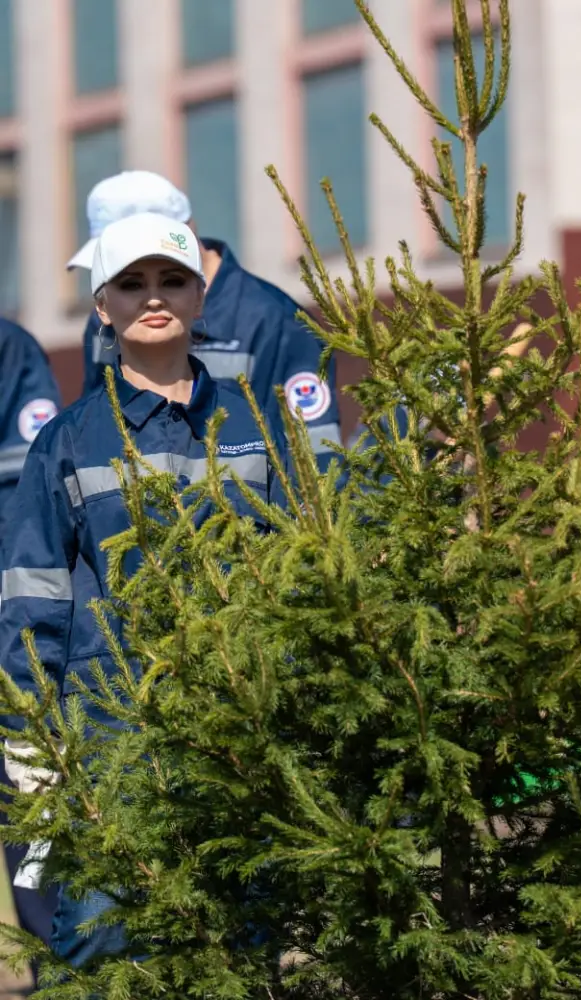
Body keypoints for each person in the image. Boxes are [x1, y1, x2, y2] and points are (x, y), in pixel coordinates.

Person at [0, 211, 288, 968]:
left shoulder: (254, 425)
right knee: (105, 941)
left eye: (171, 281)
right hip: (108, 738)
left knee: (242, 946)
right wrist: (29, 729)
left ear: (199, 297)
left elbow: (292, 569)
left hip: (238, 728)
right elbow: (33, 595)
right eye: (130, 284)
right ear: (103, 306)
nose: (151, 297)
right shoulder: (66, 440)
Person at [67, 170, 341, 471]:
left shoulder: (275, 322)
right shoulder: (103, 325)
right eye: (125, 279)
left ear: (185, 231)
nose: (147, 297)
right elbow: (91, 436)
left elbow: (317, 464)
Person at [0, 317, 61, 964]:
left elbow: (25, 498)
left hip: (7, 628)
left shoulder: (9, 348)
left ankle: (59, 964)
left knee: (31, 799)